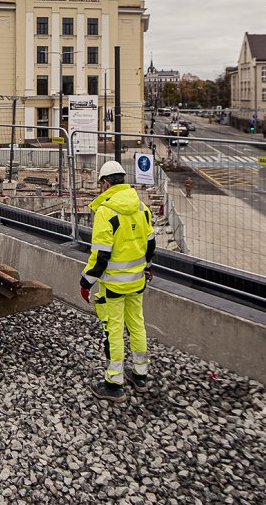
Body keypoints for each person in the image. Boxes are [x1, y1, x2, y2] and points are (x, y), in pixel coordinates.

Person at [80, 160, 156, 402]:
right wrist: (147, 266)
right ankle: (140, 376)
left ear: (105, 183)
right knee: (137, 326)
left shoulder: (106, 211)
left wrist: (86, 281)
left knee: (113, 330)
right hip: (137, 281)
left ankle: (114, 383)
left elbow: (101, 255)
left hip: (113, 286)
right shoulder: (141, 207)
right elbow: (150, 244)